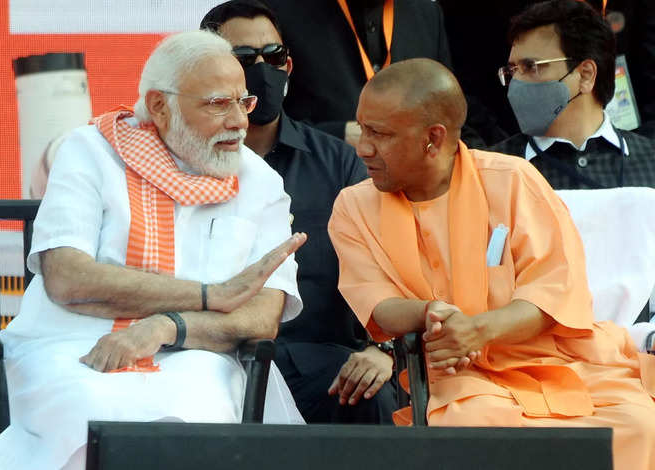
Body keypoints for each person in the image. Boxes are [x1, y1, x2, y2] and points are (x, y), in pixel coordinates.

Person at [0, 30, 307, 470]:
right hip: (70, 346)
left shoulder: (261, 183)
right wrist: (210, 295)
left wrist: (166, 326)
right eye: (218, 104)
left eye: (244, 102)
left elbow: (261, 316)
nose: (239, 122)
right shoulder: (89, 152)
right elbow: (66, 277)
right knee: (84, 406)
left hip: (198, 354)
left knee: (197, 410)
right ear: (160, 105)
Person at [328, 58, 655, 470]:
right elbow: (378, 306)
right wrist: (431, 314)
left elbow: (553, 294)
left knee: (639, 423)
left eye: (379, 133)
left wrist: (476, 330)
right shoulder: (353, 206)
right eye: (362, 128)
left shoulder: (513, 178)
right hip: (464, 379)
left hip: (560, 361)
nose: (362, 147)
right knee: (477, 426)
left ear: (433, 138)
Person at [200, 0, 397, 424]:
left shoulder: (337, 163)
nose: (263, 69)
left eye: (274, 57)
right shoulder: (181, 162)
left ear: (288, 66)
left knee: (372, 396)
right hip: (213, 356)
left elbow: (387, 262)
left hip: (319, 362)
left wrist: (382, 350)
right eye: (243, 59)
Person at [262, 0, 498, 148]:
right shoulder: (278, 12)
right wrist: (337, 133)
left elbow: (451, 111)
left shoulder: (425, 12)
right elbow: (259, 116)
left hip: (419, 188)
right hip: (330, 181)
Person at [490, 0, 655, 190]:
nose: (516, 83)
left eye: (530, 67)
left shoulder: (649, 162)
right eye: (512, 70)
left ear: (586, 75)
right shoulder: (494, 171)